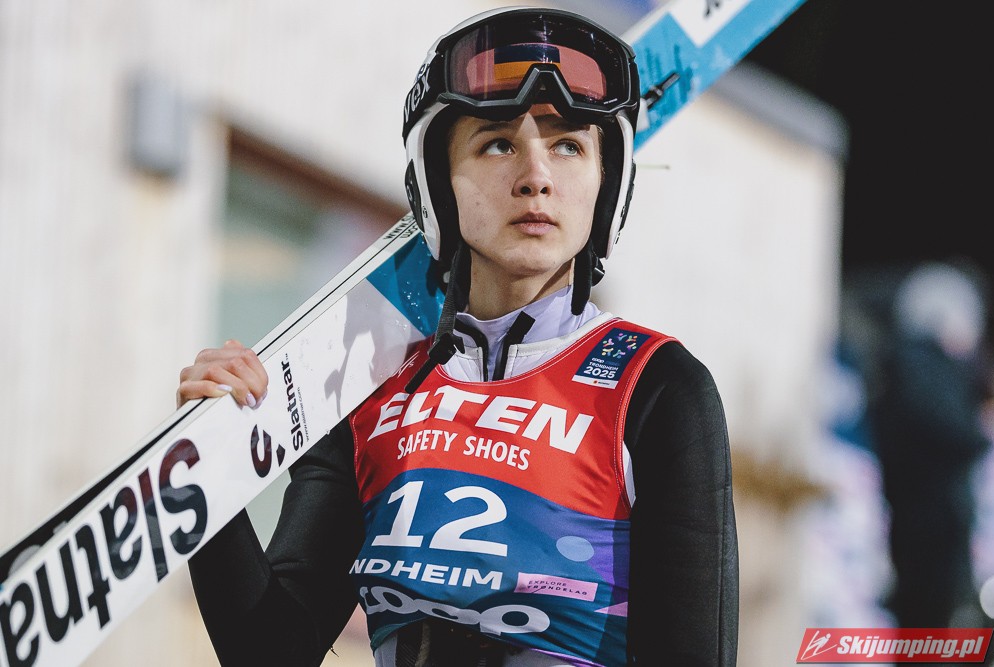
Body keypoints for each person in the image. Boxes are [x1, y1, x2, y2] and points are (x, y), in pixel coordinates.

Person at [181, 7, 738, 666]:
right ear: (439, 183)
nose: (537, 177)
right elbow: (268, 651)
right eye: (497, 143)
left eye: (569, 145)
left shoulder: (656, 387)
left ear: (607, 183)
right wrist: (210, 461)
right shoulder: (367, 385)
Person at [867, 260, 994, 632]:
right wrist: (982, 430)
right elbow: (954, 433)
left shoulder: (911, 366)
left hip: (928, 522)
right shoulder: (922, 365)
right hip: (930, 525)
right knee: (930, 622)